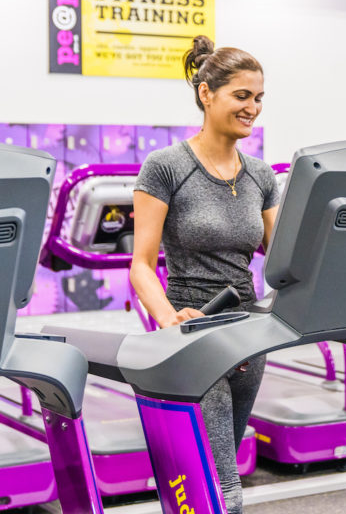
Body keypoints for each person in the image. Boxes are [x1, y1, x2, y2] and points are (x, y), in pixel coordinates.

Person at [129, 35, 279, 514]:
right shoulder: (166, 167)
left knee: (213, 472)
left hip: (248, 335)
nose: (252, 107)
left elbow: (282, 261)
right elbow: (141, 264)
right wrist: (169, 319)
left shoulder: (260, 175)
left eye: (258, 98)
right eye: (241, 96)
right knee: (224, 490)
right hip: (192, 330)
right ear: (206, 93)